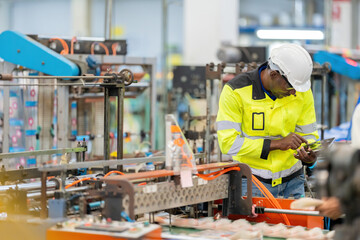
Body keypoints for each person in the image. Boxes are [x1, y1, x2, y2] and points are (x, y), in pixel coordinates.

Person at [216, 43, 319, 199]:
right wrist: (277, 144)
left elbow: (310, 135)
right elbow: (228, 143)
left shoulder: (300, 92)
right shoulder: (236, 91)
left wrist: (310, 157)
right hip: (253, 182)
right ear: (274, 74)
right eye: (290, 86)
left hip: (293, 180)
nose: (293, 93)